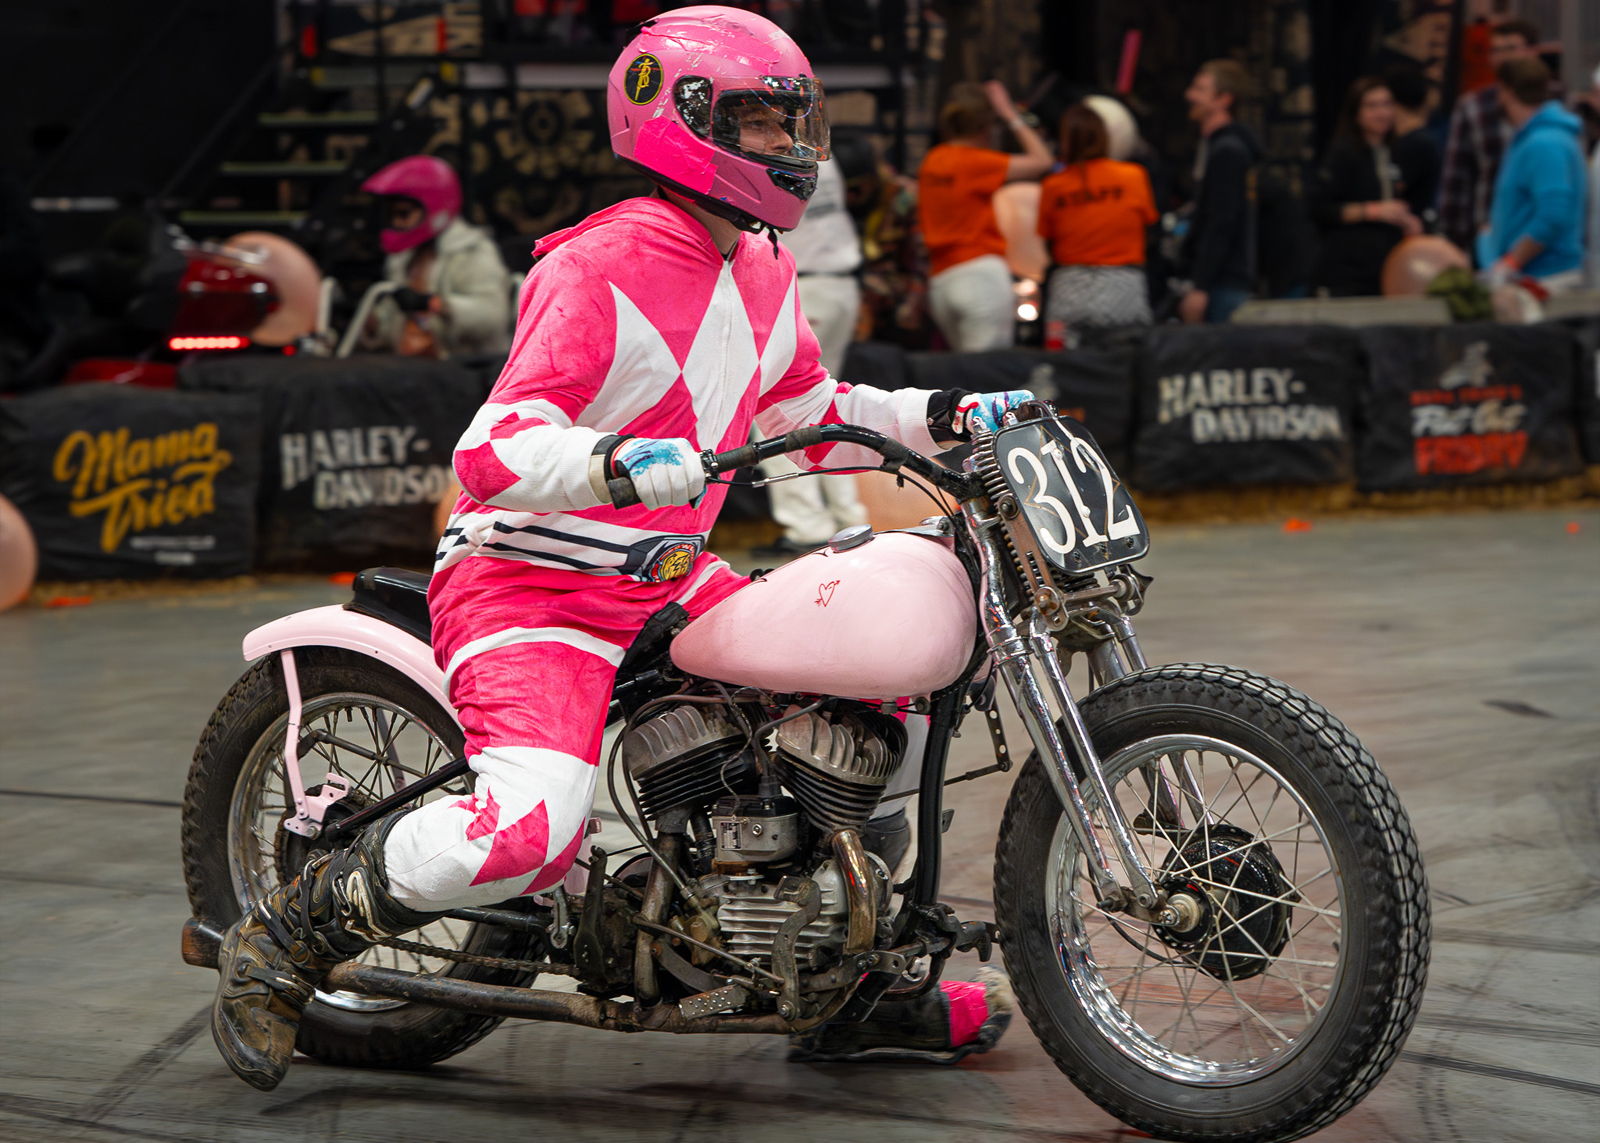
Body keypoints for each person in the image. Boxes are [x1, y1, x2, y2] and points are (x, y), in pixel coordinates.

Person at [207, 6, 1030, 1092]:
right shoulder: (599, 264)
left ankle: (849, 983)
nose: (788, 145)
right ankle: (287, 936)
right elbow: (492, 448)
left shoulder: (762, 262)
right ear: (682, 120)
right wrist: (614, 463)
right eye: (760, 121)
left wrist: (942, 415)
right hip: (528, 585)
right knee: (529, 831)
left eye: (794, 122)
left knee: (885, 709)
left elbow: (801, 412)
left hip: (670, 579)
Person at [757, 156, 869, 555]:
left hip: (806, 285)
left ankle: (807, 526)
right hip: (838, 284)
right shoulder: (822, 153)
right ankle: (848, 517)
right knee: (823, 404)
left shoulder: (772, 151)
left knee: (774, 408)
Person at [918, 80, 1054, 350]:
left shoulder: (932, 160)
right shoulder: (977, 162)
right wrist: (1009, 113)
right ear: (986, 126)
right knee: (987, 373)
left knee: (963, 371)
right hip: (981, 278)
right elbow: (1043, 161)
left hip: (941, 282)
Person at [359, 155, 511, 358]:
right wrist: (374, 325)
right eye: (392, 215)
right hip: (408, 366)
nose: (396, 223)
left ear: (433, 206)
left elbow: (492, 317)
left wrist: (436, 305)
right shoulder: (404, 257)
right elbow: (391, 326)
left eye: (404, 214)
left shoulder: (473, 251)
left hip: (468, 366)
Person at [1035, 102, 1157, 347]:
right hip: (1123, 289)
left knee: (1066, 365)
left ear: (1066, 140)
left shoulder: (1053, 186)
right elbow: (1150, 228)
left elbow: (1047, 241)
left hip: (1068, 290)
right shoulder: (1134, 176)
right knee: (1126, 362)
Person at [1476, 56, 1587, 311]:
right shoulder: (1532, 139)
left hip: (1544, 281)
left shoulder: (1545, 143)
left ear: (1506, 93)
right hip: (1530, 279)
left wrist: (1510, 263)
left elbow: (1552, 216)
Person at [1309, 77, 1424, 297]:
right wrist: (1374, 211)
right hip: (1348, 270)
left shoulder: (1394, 151)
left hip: (1385, 267)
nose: (1382, 113)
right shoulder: (1344, 153)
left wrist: (1405, 219)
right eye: (1371, 106)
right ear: (1356, 113)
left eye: (1386, 104)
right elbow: (1318, 207)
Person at [1439, 19, 1542, 258]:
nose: (1503, 57)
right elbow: (1456, 182)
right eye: (1496, 50)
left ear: (1533, 51)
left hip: (1545, 238)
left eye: (1511, 48)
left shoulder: (1557, 104)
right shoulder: (1472, 107)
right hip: (1489, 235)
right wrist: (1454, 243)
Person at [1177, 60, 1262, 323]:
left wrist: (1201, 285)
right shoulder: (1218, 147)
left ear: (1224, 99)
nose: (1190, 95)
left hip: (1223, 281)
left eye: (1200, 89)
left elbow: (1222, 221)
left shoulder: (1228, 151)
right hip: (1221, 278)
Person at [1385, 65, 1441, 229]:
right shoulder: (1410, 139)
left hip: (1412, 230)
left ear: (1392, 101)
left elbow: (1390, 191)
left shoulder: (1417, 143)